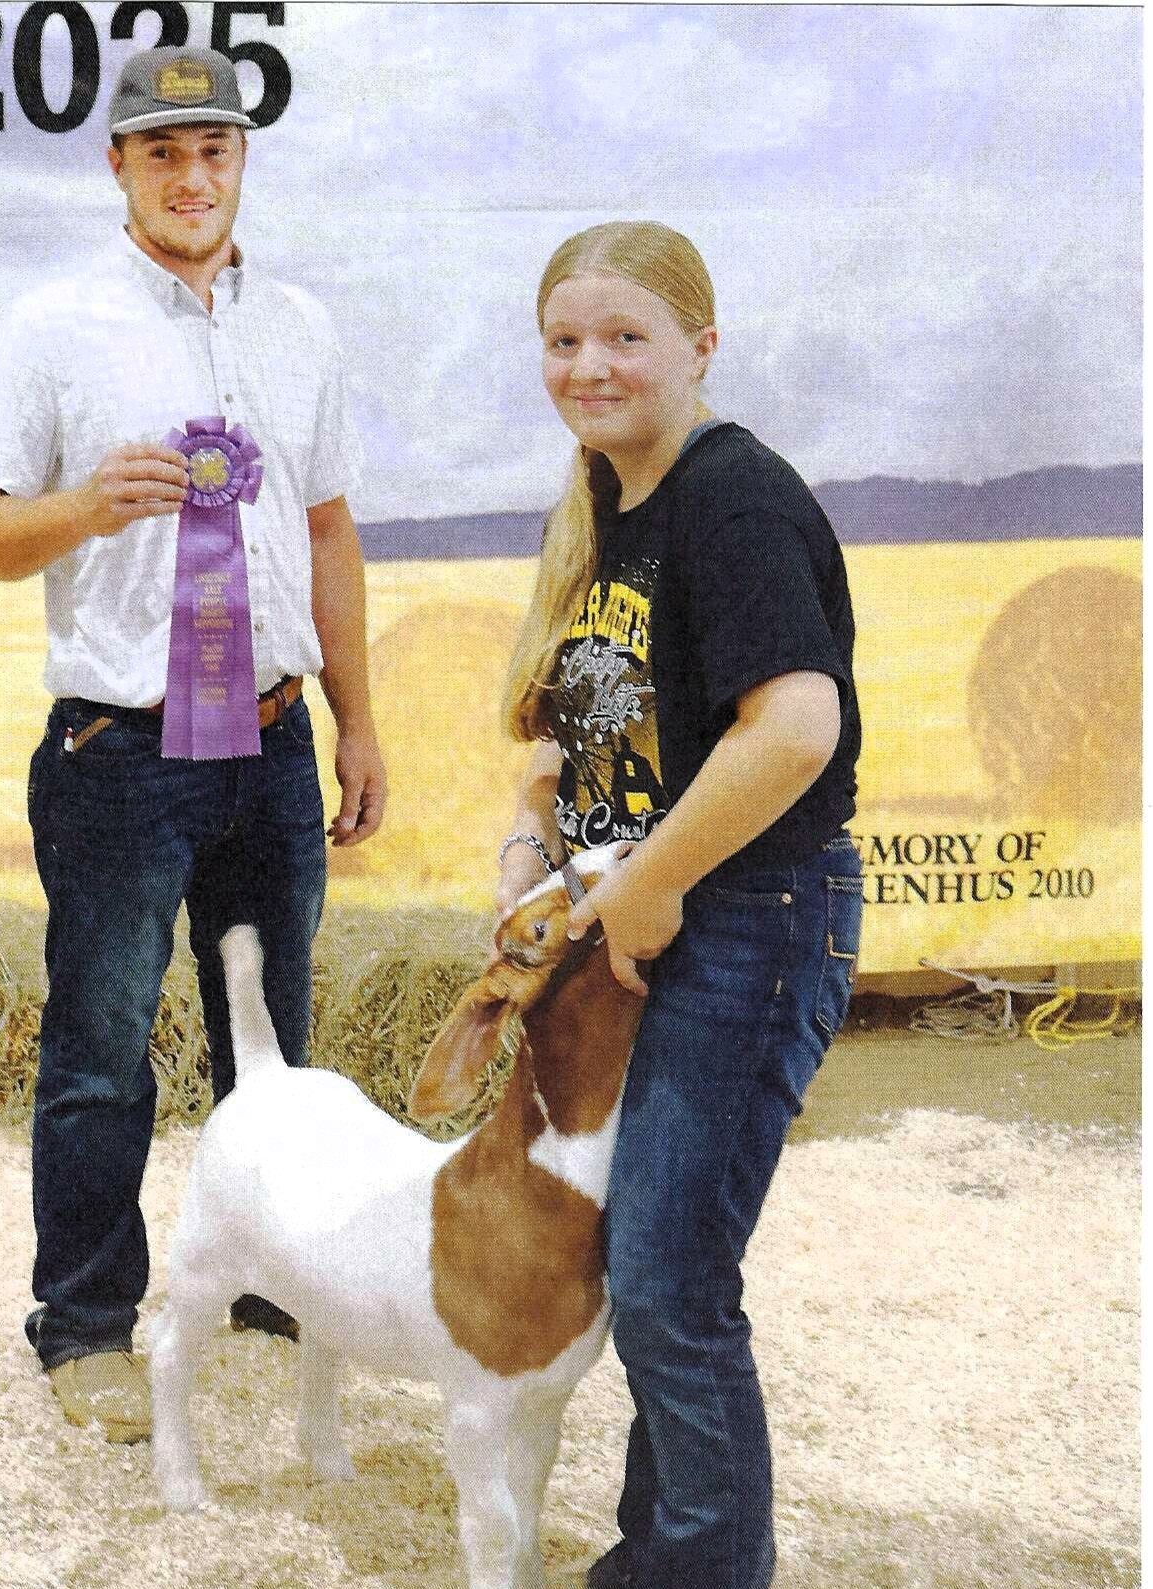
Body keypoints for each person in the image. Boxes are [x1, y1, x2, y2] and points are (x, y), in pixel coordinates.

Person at [0, 45, 386, 1444]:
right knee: (101, 1053)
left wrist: (359, 718)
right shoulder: (50, 326)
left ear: (243, 161)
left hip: (273, 742)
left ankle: (277, 1284)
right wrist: (81, 507)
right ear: (118, 165)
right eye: (165, 151)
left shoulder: (300, 326)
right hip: (119, 756)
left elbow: (326, 530)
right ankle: (83, 1326)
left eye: (216, 149)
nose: (194, 177)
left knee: (274, 1044)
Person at [496, 221, 863, 1589]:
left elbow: (796, 727)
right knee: (649, 1267)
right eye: (563, 340)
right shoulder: (605, 503)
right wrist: (532, 841)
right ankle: (657, 1558)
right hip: (646, 915)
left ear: (701, 348)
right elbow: (578, 723)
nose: (588, 366)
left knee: (667, 1284)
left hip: (748, 917)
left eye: (624, 337)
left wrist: (646, 887)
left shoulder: (733, 501)